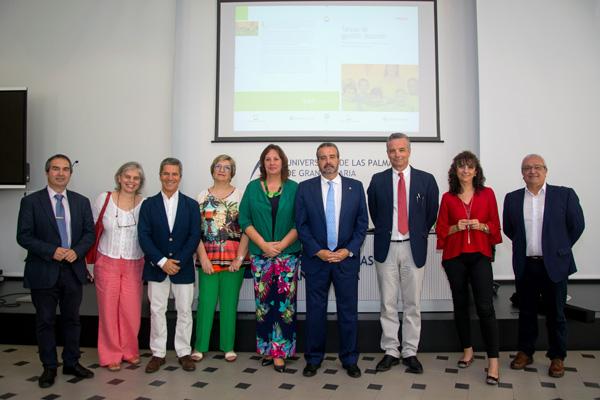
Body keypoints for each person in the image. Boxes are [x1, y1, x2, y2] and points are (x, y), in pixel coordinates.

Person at [16, 154, 95, 388]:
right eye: (55, 169)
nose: (61, 173)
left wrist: (76, 251)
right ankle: (49, 367)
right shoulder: (31, 202)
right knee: (45, 321)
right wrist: (53, 251)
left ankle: (71, 362)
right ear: (47, 172)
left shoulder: (81, 201)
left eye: (65, 169)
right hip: (43, 270)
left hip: (73, 269)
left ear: (71, 173)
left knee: (72, 320)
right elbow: (24, 236)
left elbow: (89, 233)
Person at [503, 154, 584, 378]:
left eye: (537, 167)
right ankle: (525, 352)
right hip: (526, 264)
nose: (532, 171)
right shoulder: (512, 198)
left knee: (556, 313)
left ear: (546, 170)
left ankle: (557, 356)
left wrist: (560, 248)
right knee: (526, 311)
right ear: (522, 173)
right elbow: (510, 229)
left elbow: (577, 226)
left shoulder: (564, 195)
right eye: (527, 168)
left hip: (555, 265)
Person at [367, 133, 439, 374]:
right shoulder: (377, 181)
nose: (396, 154)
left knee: (412, 303)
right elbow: (375, 213)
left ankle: (410, 351)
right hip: (386, 247)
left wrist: (414, 233)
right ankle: (390, 350)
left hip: (413, 247)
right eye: (392, 151)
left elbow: (430, 215)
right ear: (387, 153)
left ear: (409, 151)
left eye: (401, 150)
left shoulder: (426, 180)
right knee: (387, 302)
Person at [295, 142, 368, 378]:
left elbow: (361, 224)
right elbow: (301, 225)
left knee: (348, 311)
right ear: (317, 161)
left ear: (339, 159)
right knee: (315, 312)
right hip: (317, 261)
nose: (328, 161)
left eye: (332, 156)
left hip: (345, 260)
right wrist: (318, 251)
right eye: (322, 157)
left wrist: (348, 250)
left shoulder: (355, 187)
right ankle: (313, 358)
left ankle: (350, 359)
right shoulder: (305, 188)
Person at [435, 151, 502, 385]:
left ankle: (493, 361)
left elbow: (495, 226)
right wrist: (456, 227)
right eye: (461, 166)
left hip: (480, 256)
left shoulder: (488, 194)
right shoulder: (448, 198)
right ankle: (468, 350)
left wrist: (481, 226)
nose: (465, 170)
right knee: (460, 305)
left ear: (476, 171)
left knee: (485, 307)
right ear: (455, 171)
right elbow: (441, 230)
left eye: (469, 166)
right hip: (455, 258)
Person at [239, 144, 300, 373]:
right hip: (261, 255)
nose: (272, 162)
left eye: (276, 158)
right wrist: (264, 245)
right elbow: (244, 220)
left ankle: (281, 353)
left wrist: (281, 245)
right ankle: (266, 348)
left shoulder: (294, 188)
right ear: (262, 164)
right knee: (263, 305)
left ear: (282, 162)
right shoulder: (253, 188)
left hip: (287, 255)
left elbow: (299, 222)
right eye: (267, 159)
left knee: (284, 306)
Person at [138, 157, 201, 373]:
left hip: (183, 268)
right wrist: (163, 261)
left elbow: (194, 236)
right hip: (157, 268)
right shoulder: (148, 205)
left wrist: (179, 261)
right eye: (166, 173)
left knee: (185, 311)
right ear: (160, 176)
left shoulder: (191, 205)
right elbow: (144, 236)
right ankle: (158, 353)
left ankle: (184, 352)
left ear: (180, 177)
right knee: (157, 311)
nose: (170, 178)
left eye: (174, 174)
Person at [191, 155, 249, 363]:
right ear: (212, 169)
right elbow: (195, 230)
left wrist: (239, 259)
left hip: (235, 261)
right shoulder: (201, 196)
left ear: (232, 172)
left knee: (229, 303)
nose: (222, 170)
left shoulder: (242, 196)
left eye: (227, 167)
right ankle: (199, 347)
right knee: (205, 302)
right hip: (208, 259)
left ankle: (228, 347)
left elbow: (247, 230)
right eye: (218, 166)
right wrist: (203, 258)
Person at [92, 162, 145, 371]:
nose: (131, 181)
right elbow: (92, 229)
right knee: (108, 310)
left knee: (131, 310)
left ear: (140, 182)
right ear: (119, 177)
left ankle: (130, 351)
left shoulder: (145, 203)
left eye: (136, 178)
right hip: (107, 261)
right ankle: (110, 354)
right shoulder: (104, 199)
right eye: (127, 177)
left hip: (134, 262)